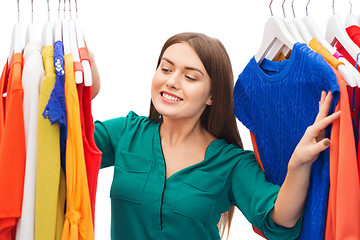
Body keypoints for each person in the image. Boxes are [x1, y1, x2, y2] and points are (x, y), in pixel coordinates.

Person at [89, 32, 340, 240]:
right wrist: (85, 93)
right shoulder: (126, 132)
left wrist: (298, 164)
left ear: (212, 96)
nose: (172, 82)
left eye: (190, 77)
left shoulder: (231, 163)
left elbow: (281, 218)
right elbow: (65, 150)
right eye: (166, 69)